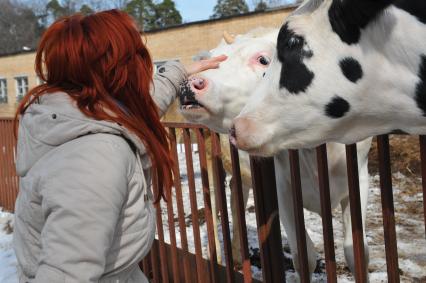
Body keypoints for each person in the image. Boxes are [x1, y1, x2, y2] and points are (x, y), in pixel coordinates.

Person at [13, 9, 226, 283]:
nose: (144, 64)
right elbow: (64, 275)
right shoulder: (95, 158)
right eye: (136, 55)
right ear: (118, 70)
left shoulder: (71, 116)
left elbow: (136, 111)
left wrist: (177, 73)